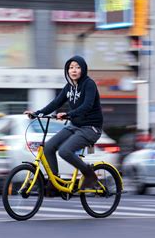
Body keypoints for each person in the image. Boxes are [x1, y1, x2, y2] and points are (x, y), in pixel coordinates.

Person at [24, 55, 103, 190]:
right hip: (74, 126)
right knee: (48, 148)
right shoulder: (69, 87)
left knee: (64, 151)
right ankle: (55, 182)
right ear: (67, 70)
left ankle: (90, 175)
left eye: (77, 67)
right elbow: (55, 103)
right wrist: (37, 113)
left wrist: (68, 114)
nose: (74, 70)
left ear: (83, 69)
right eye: (71, 68)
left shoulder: (89, 84)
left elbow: (87, 106)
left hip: (91, 128)